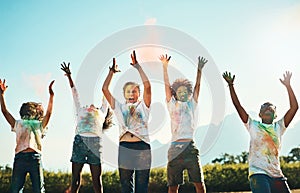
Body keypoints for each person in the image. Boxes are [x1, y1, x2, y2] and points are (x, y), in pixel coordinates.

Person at [222, 71, 298, 193]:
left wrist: (288, 86)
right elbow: (238, 106)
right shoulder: (253, 125)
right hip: (258, 173)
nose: (268, 107)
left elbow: (294, 107)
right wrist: (231, 86)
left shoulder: (279, 127)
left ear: (275, 115)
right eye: (264, 107)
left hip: (276, 174)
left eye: (271, 107)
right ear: (260, 114)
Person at [102, 50, 151, 193]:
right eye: (128, 91)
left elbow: (148, 86)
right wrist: (111, 72)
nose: (131, 93)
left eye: (134, 91)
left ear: (139, 94)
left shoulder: (144, 106)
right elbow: (104, 89)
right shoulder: (119, 107)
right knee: (125, 187)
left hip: (143, 147)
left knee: (141, 188)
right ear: (124, 94)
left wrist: (138, 67)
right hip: (124, 148)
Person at [61, 62, 113, 193]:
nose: (90, 105)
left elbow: (105, 94)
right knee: (75, 179)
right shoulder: (80, 109)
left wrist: (111, 73)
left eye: (94, 106)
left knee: (97, 180)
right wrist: (69, 76)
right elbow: (75, 94)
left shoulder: (102, 111)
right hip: (80, 141)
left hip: (95, 143)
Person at [159, 54, 207, 193]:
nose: (183, 93)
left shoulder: (192, 104)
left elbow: (198, 86)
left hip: (190, 148)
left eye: (185, 91)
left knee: (199, 182)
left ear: (188, 93)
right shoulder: (172, 104)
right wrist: (165, 67)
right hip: (175, 148)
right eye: (179, 91)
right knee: (173, 185)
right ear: (175, 94)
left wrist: (199, 70)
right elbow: (167, 87)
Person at [0, 79, 54, 193]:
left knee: (38, 189)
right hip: (21, 158)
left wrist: (51, 96)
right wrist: (1, 95)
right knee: (16, 190)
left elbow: (49, 113)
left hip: (34, 158)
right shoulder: (18, 123)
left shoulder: (40, 125)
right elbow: (5, 111)